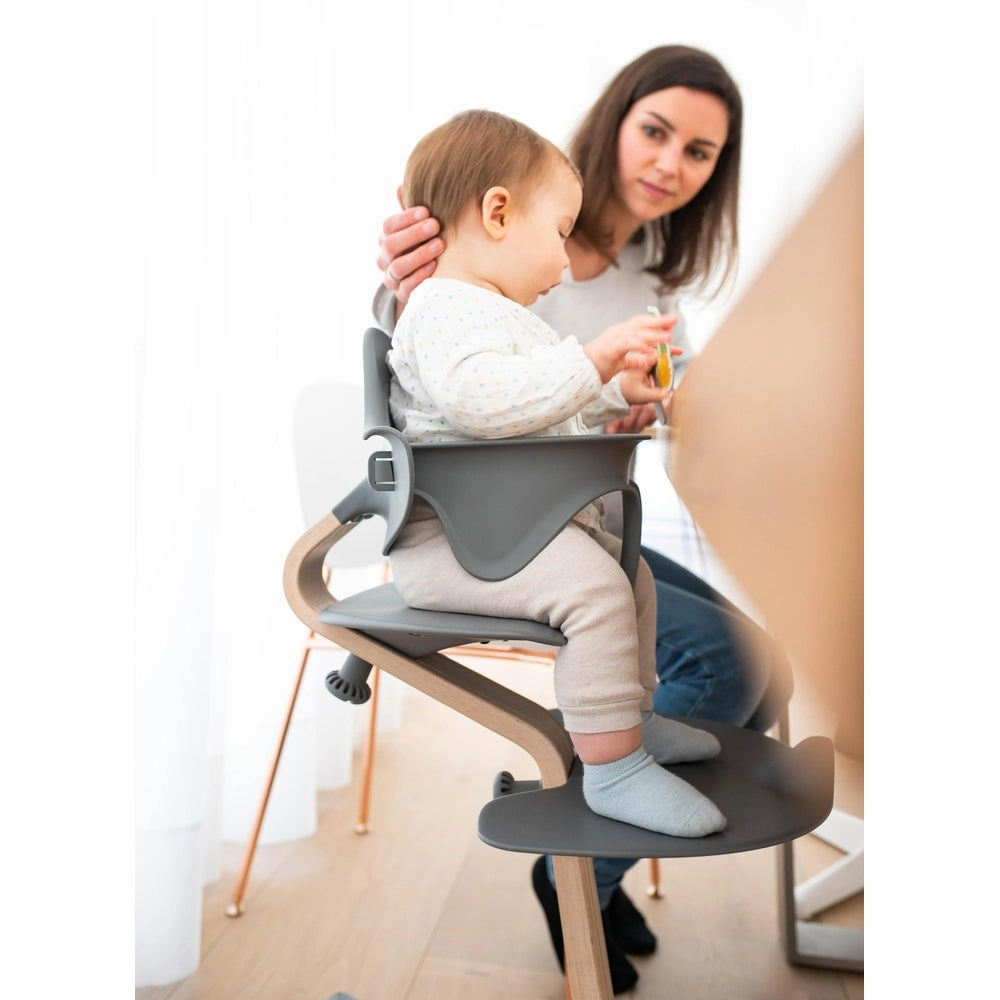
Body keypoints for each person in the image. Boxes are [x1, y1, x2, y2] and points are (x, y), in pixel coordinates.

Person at [374, 46, 794, 995]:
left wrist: (639, 402)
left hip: (562, 515)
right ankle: (585, 858)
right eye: (657, 131)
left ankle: (603, 832)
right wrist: (591, 361)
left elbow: (575, 398)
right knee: (723, 659)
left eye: (699, 152)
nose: (671, 164)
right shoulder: (476, 264)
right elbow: (457, 379)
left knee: (745, 654)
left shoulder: (645, 276)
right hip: (497, 530)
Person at [388, 107, 729, 846]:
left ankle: (630, 722)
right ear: (498, 214)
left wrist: (611, 390)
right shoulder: (444, 306)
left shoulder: (498, 315)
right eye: (559, 234)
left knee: (630, 578)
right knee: (598, 592)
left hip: (508, 531)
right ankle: (612, 769)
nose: (565, 264)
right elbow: (480, 403)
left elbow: (535, 403)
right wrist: (594, 358)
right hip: (457, 542)